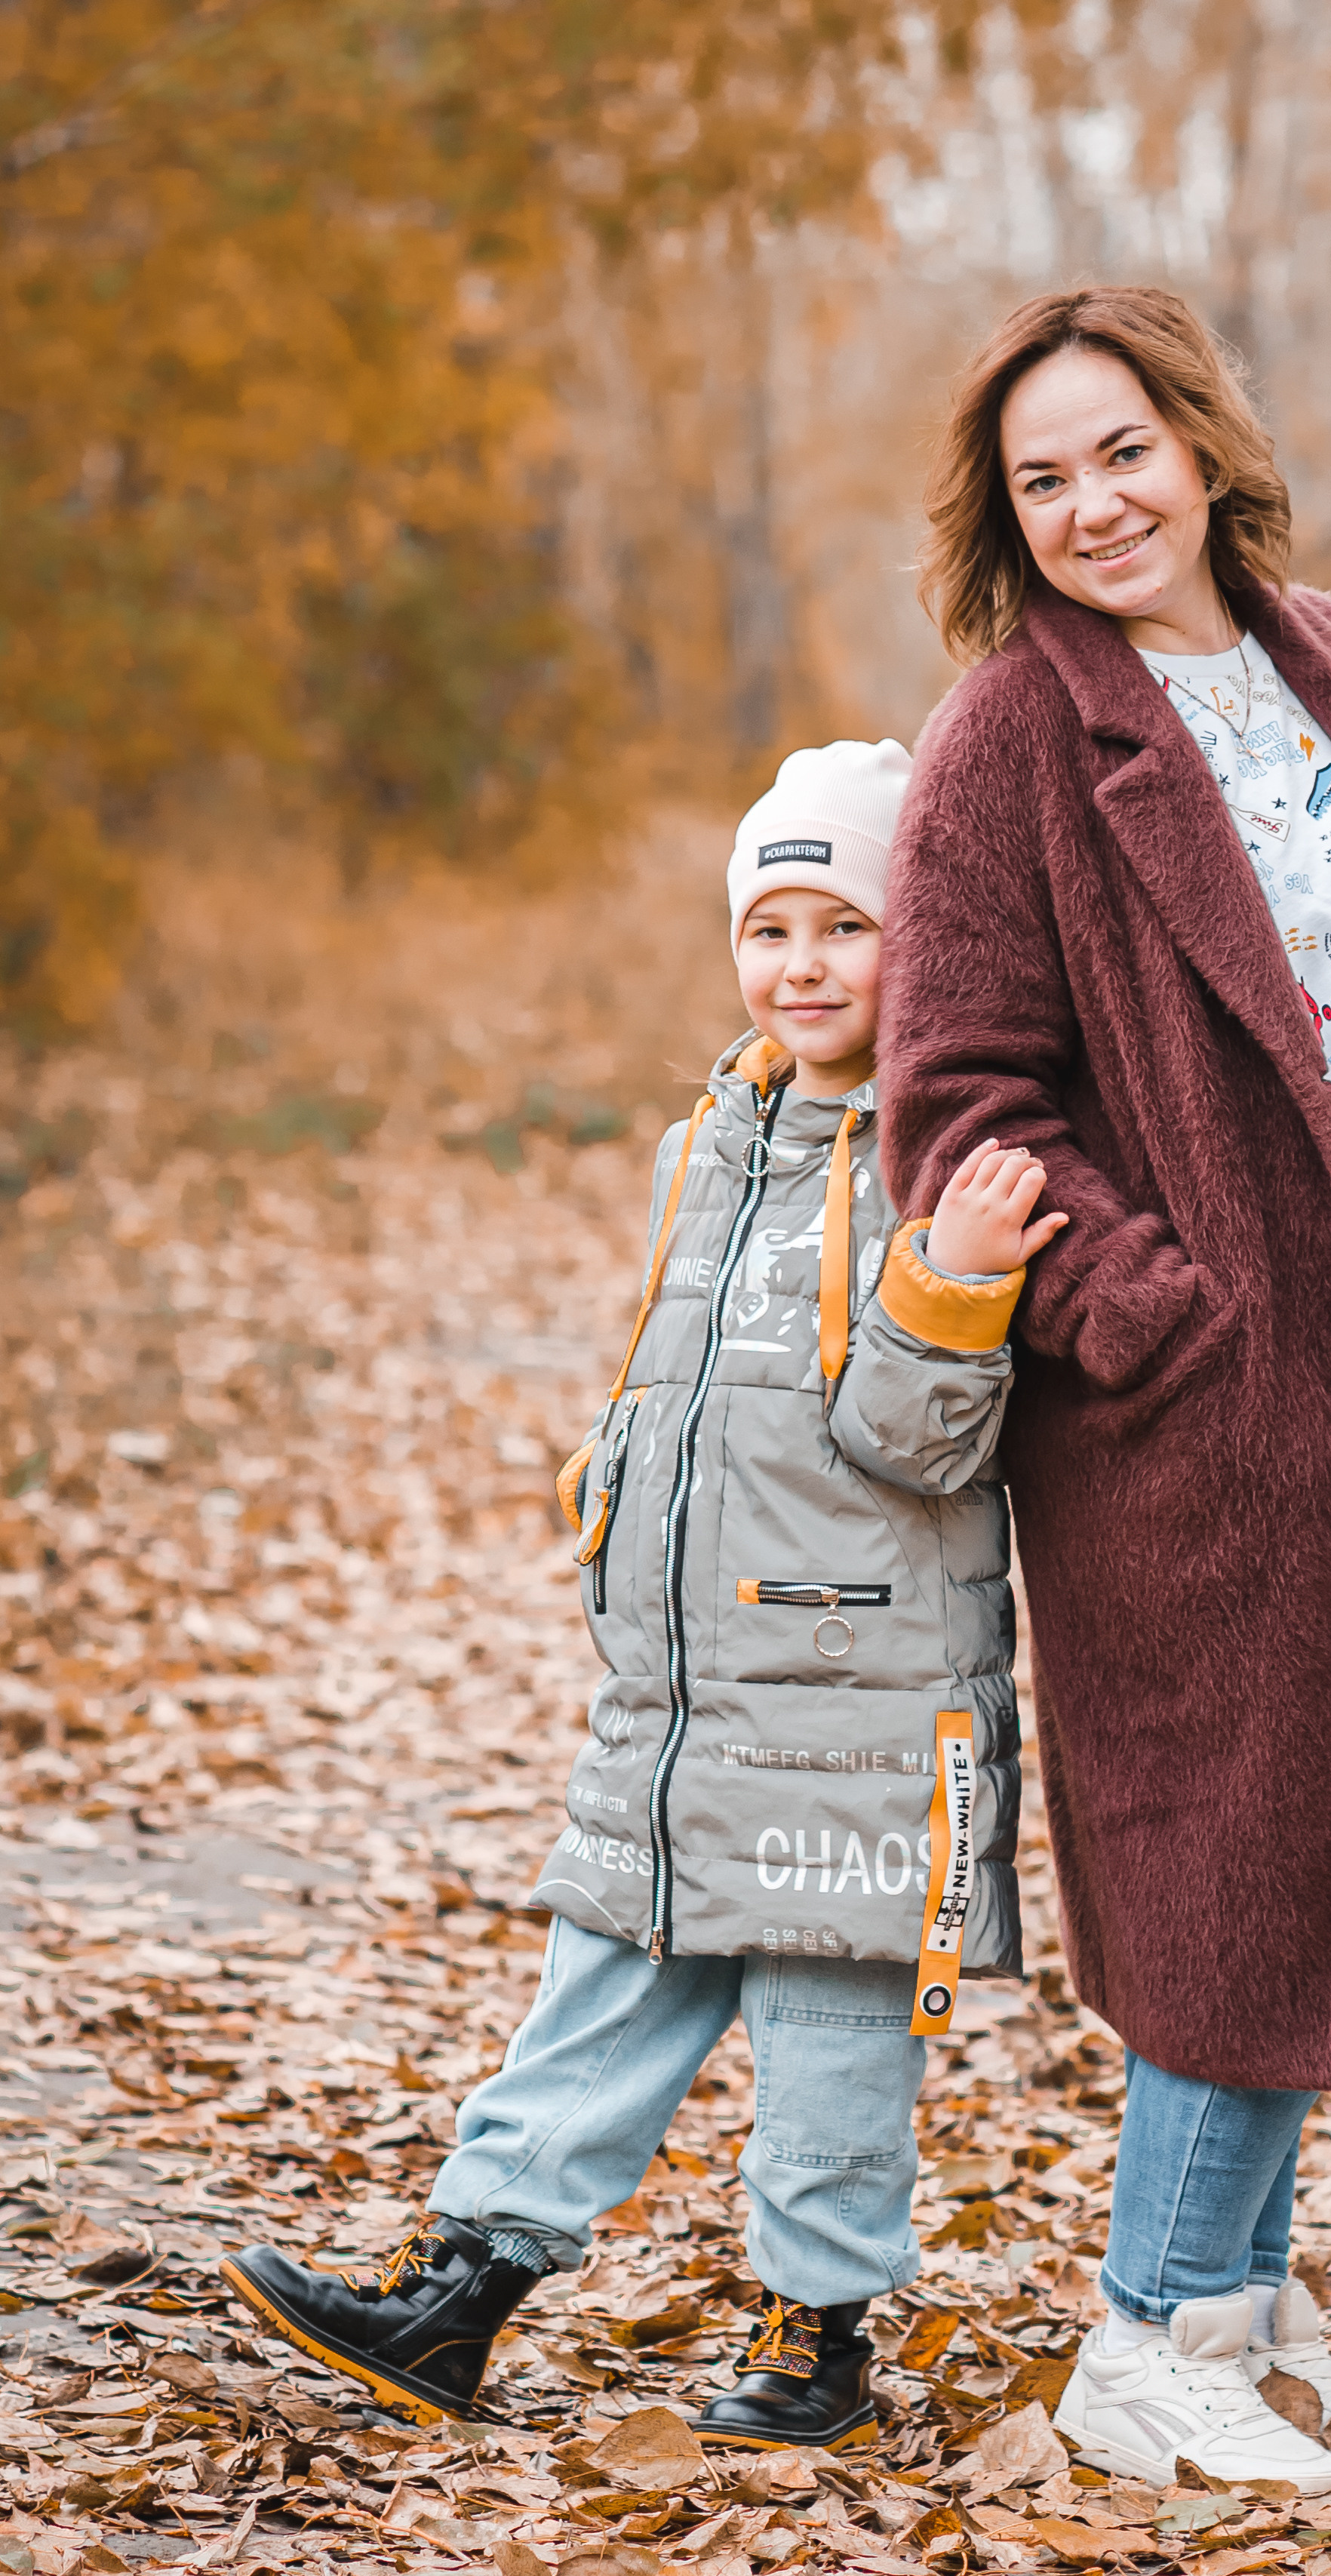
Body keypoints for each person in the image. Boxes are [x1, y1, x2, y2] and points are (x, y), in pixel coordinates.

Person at [879, 286, 1331, 2487]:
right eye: (1042, 478)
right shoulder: (1007, 740)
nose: (1094, 502)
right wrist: (1152, 1308)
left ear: (1198, 446)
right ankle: (1141, 2340)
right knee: (1240, 1841)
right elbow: (958, 1104)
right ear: (1005, 520)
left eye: (1122, 451)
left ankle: (1243, 2313)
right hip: (1213, 1388)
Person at [221, 740, 1073, 2454]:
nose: (804, 965)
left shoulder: (939, 1154)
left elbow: (917, 1448)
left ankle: (813, 2329)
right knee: (599, 1979)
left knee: (833, 2029)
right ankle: (458, 2289)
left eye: (849, 924)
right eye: (771, 926)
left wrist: (956, 1289)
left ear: (929, 947)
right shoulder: (718, 1134)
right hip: (681, 1687)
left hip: (854, 1688)